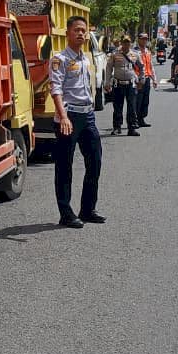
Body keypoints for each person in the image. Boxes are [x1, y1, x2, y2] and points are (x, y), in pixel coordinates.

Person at [50, 16, 105, 229]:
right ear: (68, 34)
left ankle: (87, 209)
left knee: (95, 161)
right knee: (64, 167)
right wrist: (63, 117)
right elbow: (55, 89)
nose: (81, 34)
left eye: (83, 30)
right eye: (76, 30)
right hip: (69, 116)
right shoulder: (59, 59)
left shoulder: (85, 58)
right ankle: (65, 213)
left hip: (87, 115)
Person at [104, 36, 141, 136]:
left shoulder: (135, 54)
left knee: (132, 107)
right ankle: (117, 127)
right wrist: (107, 82)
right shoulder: (115, 54)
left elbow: (141, 67)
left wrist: (142, 79)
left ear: (131, 43)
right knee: (117, 107)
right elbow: (109, 68)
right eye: (124, 42)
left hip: (131, 84)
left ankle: (132, 128)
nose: (126, 44)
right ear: (121, 43)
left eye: (128, 42)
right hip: (118, 84)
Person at [132, 32, 155, 127]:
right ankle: (136, 120)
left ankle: (142, 119)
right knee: (138, 100)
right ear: (138, 40)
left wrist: (154, 79)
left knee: (145, 101)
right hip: (138, 80)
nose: (144, 40)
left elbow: (150, 66)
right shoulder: (134, 52)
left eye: (146, 39)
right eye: (142, 39)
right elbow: (131, 67)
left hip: (147, 79)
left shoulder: (147, 52)